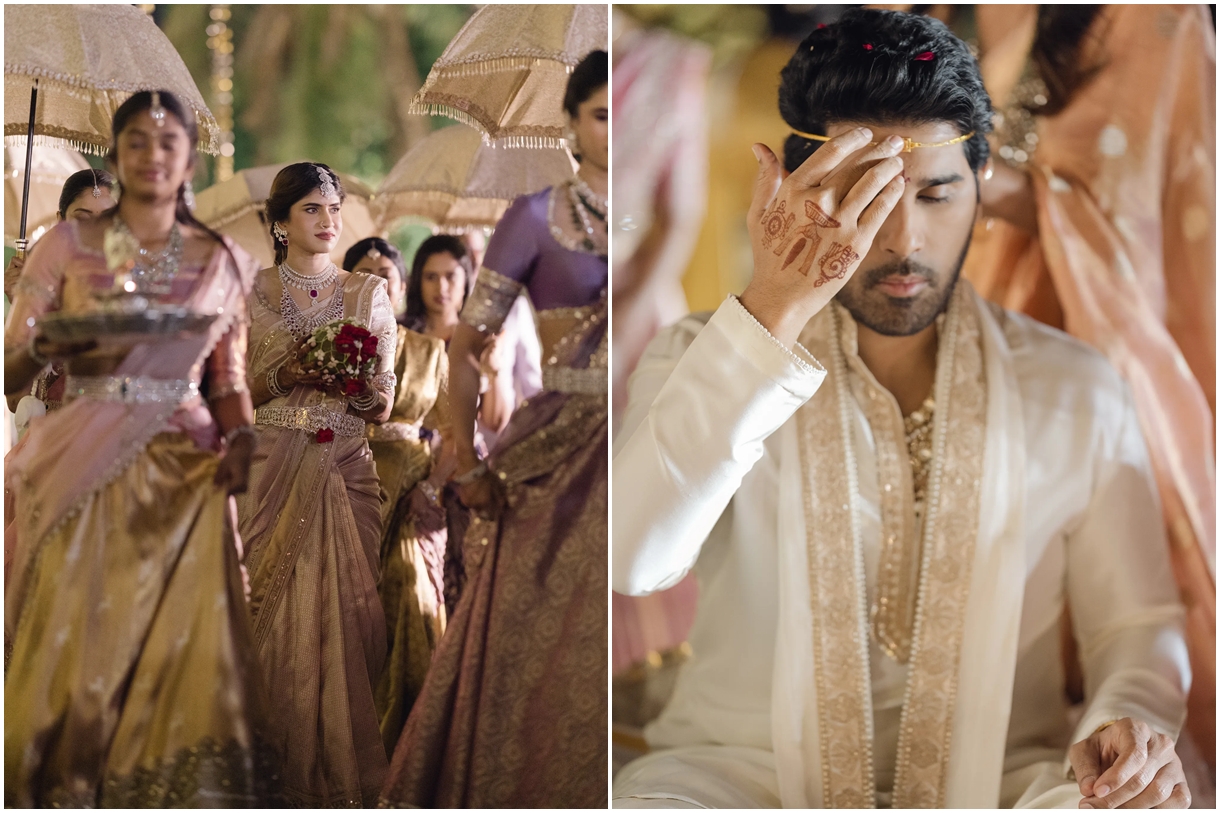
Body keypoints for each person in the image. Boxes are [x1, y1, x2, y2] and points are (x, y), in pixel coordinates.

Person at [612, 11, 1191, 809]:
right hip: (735, 775)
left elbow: (1137, 620)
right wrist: (771, 314)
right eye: (866, 195)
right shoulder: (702, 357)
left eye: (937, 192)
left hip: (1005, 785)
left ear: (981, 191)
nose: (904, 238)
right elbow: (633, 556)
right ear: (796, 193)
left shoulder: (1076, 387)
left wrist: (1129, 712)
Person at [3, 90, 274, 806]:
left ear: (188, 158)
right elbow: (9, 369)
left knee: (175, 658)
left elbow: (229, 380)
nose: (152, 155)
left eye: (167, 142)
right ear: (117, 154)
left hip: (188, 481)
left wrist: (243, 436)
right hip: (82, 470)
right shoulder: (69, 246)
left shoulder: (221, 259)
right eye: (135, 142)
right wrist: (49, 342)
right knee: (77, 645)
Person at [964, 4, 1215, 771]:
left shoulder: (1151, 22)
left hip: (1089, 345)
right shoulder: (921, 11)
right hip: (948, 329)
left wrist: (949, 169)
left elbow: (1136, 209)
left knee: (1110, 597)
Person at [378, 49, 609, 809]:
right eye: (603, 115)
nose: (620, 132)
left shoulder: (672, 207)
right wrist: (467, 459)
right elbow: (467, 353)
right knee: (532, 629)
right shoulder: (536, 217)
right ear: (573, 125)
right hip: (559, 441)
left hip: (652, 415)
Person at [235, 162, 398, 806]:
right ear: (280, 223)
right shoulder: (252, 294)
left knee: (352, 627)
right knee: (262, 624)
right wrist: (291, 370)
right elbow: (237, 392)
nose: (329, 221)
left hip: (343, 468)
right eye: (312, 210)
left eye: (335, 208)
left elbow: (383, 405)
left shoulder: (368, 293)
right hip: (268, 473)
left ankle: (336, 781)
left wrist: (346, 380)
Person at [342, 236, 451, 756]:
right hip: (345, 483)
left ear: (403, 287)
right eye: (364, 274)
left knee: (409, 592)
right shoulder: (335, 348)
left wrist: (428, 490)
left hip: (413, 493)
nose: (377, 284)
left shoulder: (430, 352)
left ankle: (410, 747)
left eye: (387, 275)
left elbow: (455, 435)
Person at [6, 169, 118, 424]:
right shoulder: (41, 286)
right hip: (54, 441)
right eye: (82, 219)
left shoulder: (136, 285)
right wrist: (22, 306)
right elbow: (18, 402)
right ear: (60, 221)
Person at [4, 168, 117, 304]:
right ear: (60, 220)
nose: (96, 230)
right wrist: (19, 299)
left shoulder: (135, 276)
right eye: (82, 219)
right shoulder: (43, 278)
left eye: (107, 219)